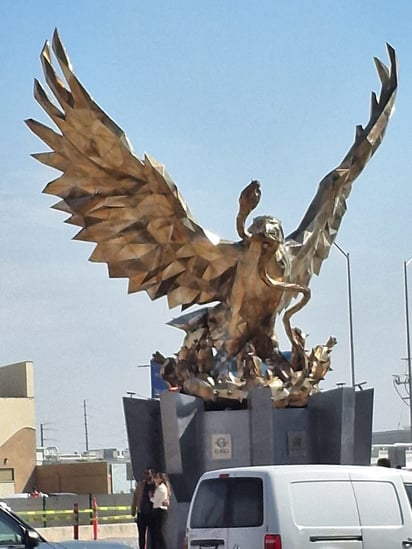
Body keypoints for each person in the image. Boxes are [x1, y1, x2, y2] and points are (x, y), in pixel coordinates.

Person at [131, 468, 156, 549]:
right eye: (145, 473)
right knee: (142, 535)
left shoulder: (156, 485)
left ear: (152, 474)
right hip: (142, 513)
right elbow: (135, 497)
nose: (146, 475)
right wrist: (133, 510)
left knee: (153, 535)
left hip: (152, 513)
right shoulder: (141, 485)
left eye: (148, 473)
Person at [150, 472, 170, 549]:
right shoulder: (163, 487)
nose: (155, 479)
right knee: (159, 532)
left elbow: (155, 499)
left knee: (159, 532)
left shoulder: (160, 488)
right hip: (160, 511)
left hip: (159, 511)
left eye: (157, 478)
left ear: (161, 479)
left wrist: (150, 497)